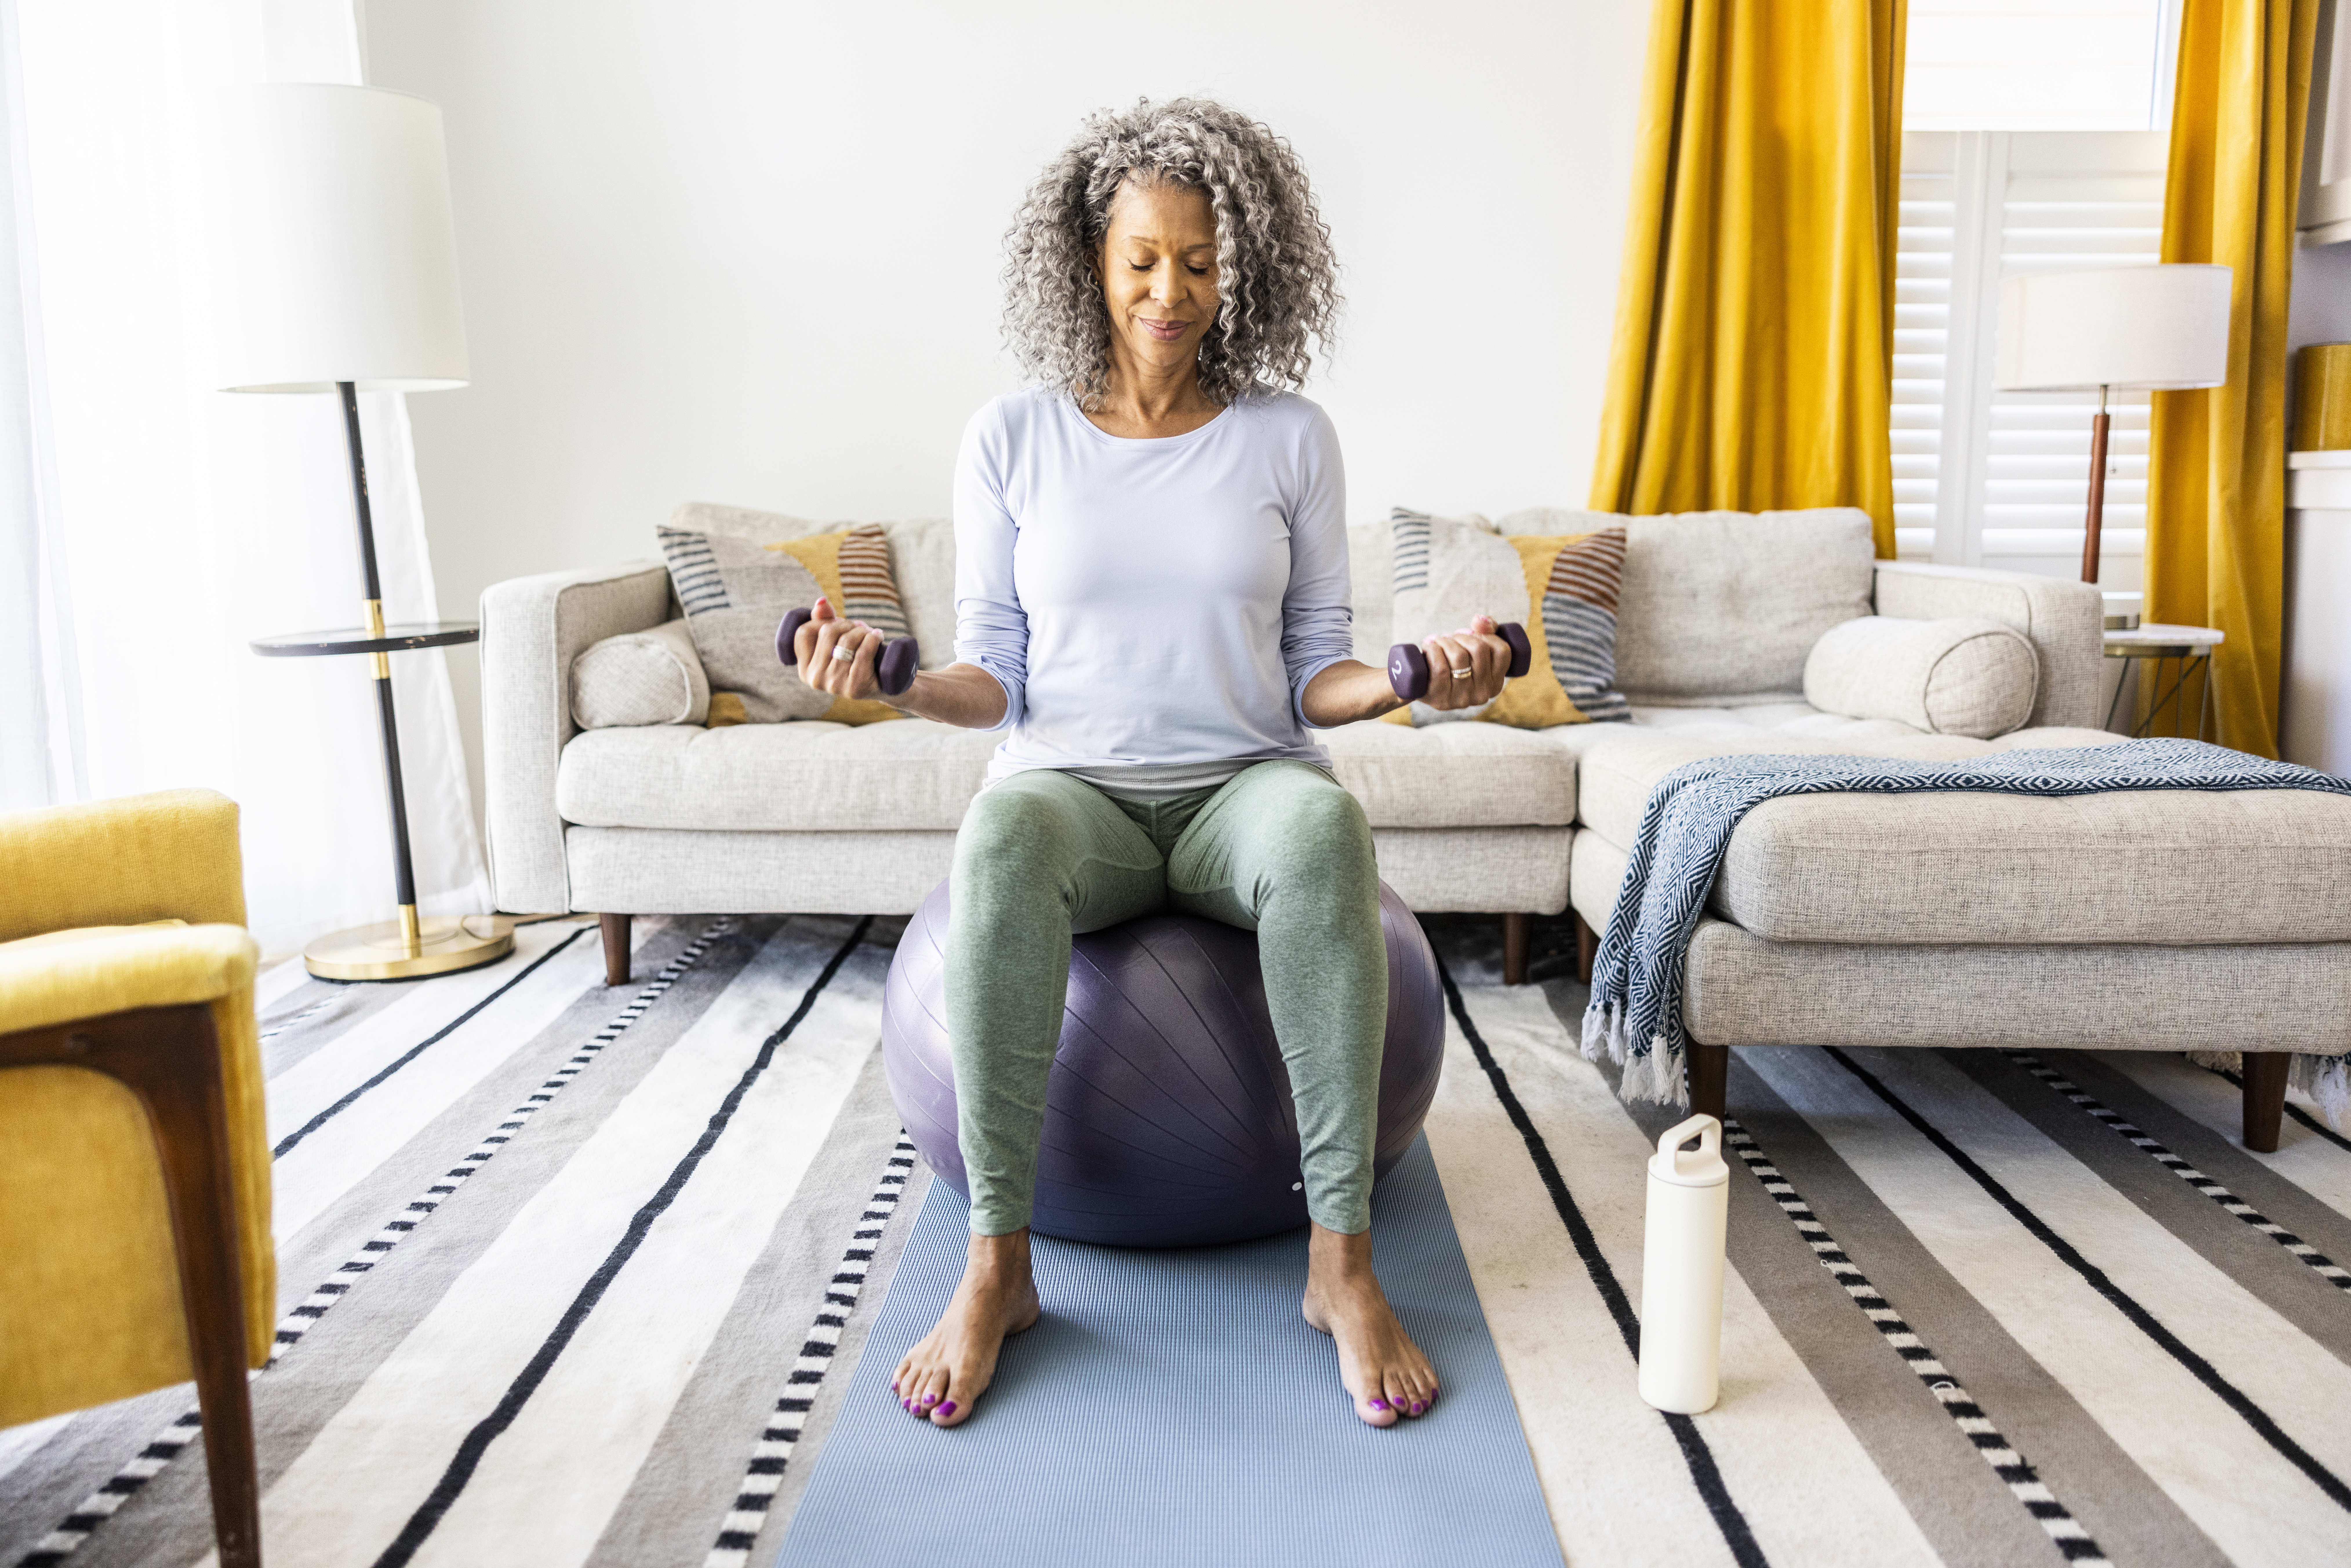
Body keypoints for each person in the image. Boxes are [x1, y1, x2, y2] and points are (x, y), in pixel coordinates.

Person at [788, 98, 1514, 1429]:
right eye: (1141, 258)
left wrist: (1415, 678)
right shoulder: (1011, 438)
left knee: (1322, 837)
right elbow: (990, 671)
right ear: (1091, 261)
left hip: (1248, 786)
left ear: (1244, 267)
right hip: (1075, 797)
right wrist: (891, 680)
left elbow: (1318, 671)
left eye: (1198, 259)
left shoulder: (1290, 436)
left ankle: (1340, 1266)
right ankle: (999, 1269)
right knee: (1000, 834)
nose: (1169, 291)